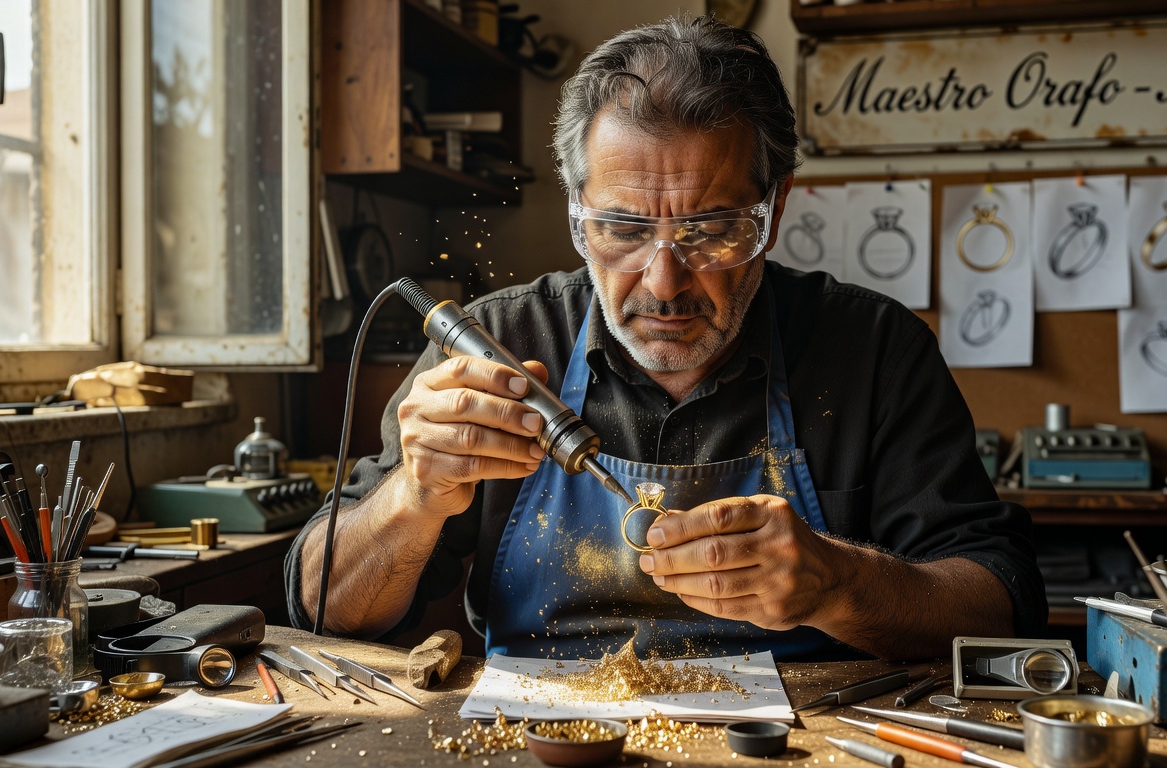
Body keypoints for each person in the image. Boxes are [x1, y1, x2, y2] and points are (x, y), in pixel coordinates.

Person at [287, 15, 1045, 662]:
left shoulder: (872, 349)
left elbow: (1000, 607)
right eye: (621, 229)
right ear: (577, 215)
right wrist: (412, 499)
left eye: (711, 231)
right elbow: (326, 611)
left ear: (773, 211)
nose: (664, 283)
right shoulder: (496, 343)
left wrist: (840, 583)